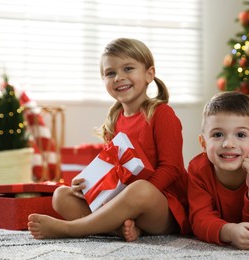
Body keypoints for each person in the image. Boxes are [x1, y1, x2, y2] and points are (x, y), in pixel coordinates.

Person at [28, 38, 191, 241]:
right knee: (61, 195)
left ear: (149, 74)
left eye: (128, 69)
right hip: (124, 204)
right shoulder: (114, 121)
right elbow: (113, 172)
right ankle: (118, 229)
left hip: (163, 207)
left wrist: (126, 198)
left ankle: (72, 229)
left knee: (140, 190)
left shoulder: (161, 114)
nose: (118, 77)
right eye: (110, 73)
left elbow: (172, 168)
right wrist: (88, 185)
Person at [187, 91, 249, 250]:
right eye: (218, 134)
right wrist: (229, 231)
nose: (229, 144)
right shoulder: (198, 170)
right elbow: (199, 219)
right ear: (203, 143)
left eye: (240, 134)